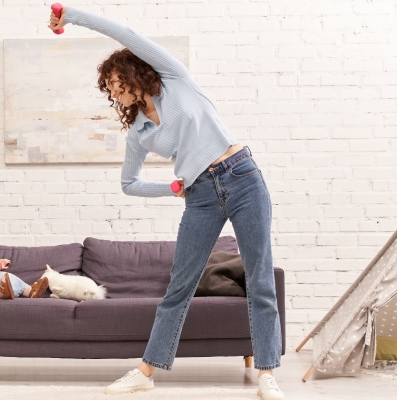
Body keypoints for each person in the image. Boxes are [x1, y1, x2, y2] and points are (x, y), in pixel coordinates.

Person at [49, 7, 285, 400]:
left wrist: (68, 15)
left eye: (115, 80)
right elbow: (129, 184)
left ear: (133, 71)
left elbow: (123, 30)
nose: (113, 90)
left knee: (260, 279)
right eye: (108, 87)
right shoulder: (139, 133)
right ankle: (146, 372)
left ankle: (266, 375)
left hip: (242, 177)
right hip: (200, 196)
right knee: (179, 287)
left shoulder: (176, 80)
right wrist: (173, 189)